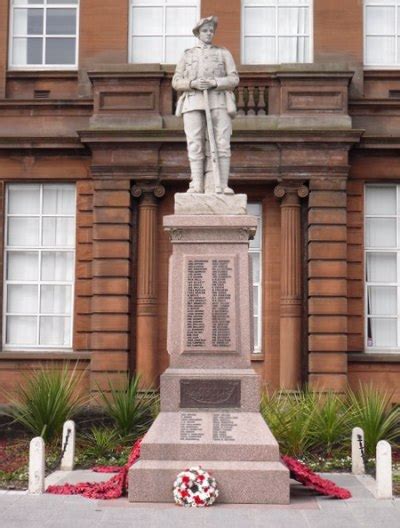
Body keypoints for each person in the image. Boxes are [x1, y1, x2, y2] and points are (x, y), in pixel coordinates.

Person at [172, 16, 239, 194]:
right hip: (193, 102)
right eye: (205, 30)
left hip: (218, 101)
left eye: (211, 30)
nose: (209, 33)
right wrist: (192, 84)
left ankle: (222, 184)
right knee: (195, 143)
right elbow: (176, 81)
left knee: (222, 143)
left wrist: (215, 82)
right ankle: (197, 184)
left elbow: (234, 79)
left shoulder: (223, 53)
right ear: (198, 33)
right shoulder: (188, 55)